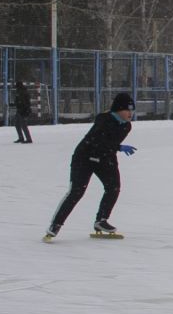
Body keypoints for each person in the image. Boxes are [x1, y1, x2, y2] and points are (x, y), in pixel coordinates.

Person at [46, 92, 136, 240]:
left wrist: (116, 148)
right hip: (84, 157)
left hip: (105, 158)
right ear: (118, 110)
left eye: (132, 110)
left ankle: (101, 220)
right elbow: (98, 142)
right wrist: (119, 147)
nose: (130, 113)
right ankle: (55, 224)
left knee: (113, 187)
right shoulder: (104, 120)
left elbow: (109, 146)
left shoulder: (126, 126)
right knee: (76, 191)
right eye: (128, 110)